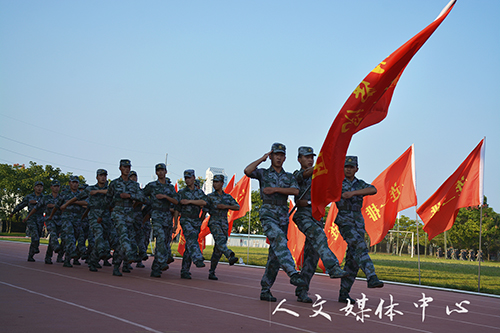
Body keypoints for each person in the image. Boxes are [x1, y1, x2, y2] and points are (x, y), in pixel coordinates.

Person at [244, 142, 307, 302]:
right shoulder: (264, 173)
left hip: (282, 215)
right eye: (275, 154)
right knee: (279, 240)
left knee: (275, 255)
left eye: (281, 155)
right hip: (268, 213)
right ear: (271, 156)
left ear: (285, 157)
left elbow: (295, 191)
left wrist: (275, 190)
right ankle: (292, 273)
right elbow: (247, 171)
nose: (278, 157)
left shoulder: (288, 177)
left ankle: (265, 289)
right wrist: (262, 158)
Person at [292, 146, 348, 303]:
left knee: (311, 257)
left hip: (316, 217)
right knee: (319, 236)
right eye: (306, 157)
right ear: (299, 159)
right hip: (303, 216)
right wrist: (322, 167)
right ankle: (333, 267)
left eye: (312, 157)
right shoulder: (297, 174)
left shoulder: (319, 176)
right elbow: (305, 175)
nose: (310, 159)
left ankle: (302, 291)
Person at [334, 156, 383, 304]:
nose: (348, 169)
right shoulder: (338, 183)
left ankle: (344, 293)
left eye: (351, 167)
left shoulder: (359, 184)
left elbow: (373, 189)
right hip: (345, 221)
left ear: (357, 169)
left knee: (353, 260)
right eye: (346, 167)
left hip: (358, 222)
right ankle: (371, 276)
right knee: (359, 245)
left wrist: (354, 193)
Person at [106, 159, 145, 276]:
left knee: (124, 242)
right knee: (123, 234)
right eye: (124, 167)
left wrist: (130, 196)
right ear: (120, 168)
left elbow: (143, 199)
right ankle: (130, 254)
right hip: (118, 213)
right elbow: (107, 200)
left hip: (130, 214)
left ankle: (117, 265)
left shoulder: (134, 185)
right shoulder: (114, 184)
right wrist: (111, 210)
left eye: (128, 167)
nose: (127, 169)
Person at [142, 163, 179, 278]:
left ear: (166, 171)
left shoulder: (170, 187)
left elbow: (176, 201)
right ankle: (162, 261)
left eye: (162, 170)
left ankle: (156, 268)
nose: (160, 172)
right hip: (156, 215)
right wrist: (148, 204)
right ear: (156, 172)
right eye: (158, 170)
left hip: (167, 216)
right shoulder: (152, 186)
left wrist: (165, 197)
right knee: (161, 238)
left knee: (163, 242)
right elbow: (141, 195)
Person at [204, 174, 240, 280]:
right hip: (214, 221)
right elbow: (204, 210)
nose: (215, 184)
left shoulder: (227, 197)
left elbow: (237, 207)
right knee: (220, 241)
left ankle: (212, 271)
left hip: (224, 223)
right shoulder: (210, 197)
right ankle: (229, 255)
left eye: (217, 182)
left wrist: (226, 206)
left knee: (218, 249)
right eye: (214, 182)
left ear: (222, 183)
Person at [174, 169, 207, 279]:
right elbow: (177, 209)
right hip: (185, 219)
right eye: (186, 178)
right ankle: (198, 258)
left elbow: (204, 203)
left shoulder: (199, 193)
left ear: (194, 178)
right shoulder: (182, 193)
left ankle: (185, 270)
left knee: (189, 246)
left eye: (189, 177)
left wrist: (189, 202)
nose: (187, 180)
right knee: (191, 237)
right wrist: (175, 224)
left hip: (195, 220)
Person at [48, 176, 87, 267]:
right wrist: (51, 216)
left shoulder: (82, 194)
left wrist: (73, 202)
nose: (75, 184)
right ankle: (73, 251)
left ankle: (67, 260)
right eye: (73, 182)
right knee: (70, 235)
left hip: (77, 219)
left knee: (75, 237)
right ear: (69, 183)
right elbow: (57, 206)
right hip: (66, 218)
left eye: (76, 182)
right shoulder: (64, 194)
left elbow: (87, 203)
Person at [25, 180, 62, 264]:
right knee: (52, 234)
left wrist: (54, 206)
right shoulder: (46, 198)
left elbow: (64, 206)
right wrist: (28, 216)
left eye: (58, 186)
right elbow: (36, 208)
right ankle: (56, 247)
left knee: (52, 239)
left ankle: (48, 257)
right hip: (49, 219)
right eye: (54, 186)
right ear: (51, 187)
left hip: (59, 220)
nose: (56, 188)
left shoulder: (62, 197)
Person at [11, 181, 45, 262]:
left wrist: (36, 202)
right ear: (34, 188)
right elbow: (21, 205)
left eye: (41, 187)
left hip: (40, 218)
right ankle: (35, 249)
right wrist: (13, 212)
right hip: (31, 218)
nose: (39, 188)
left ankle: (31, 255)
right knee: (35, 236)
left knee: (38, 237)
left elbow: (48, 205)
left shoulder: (45, 198)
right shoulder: (29, 197)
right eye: (37, 186)